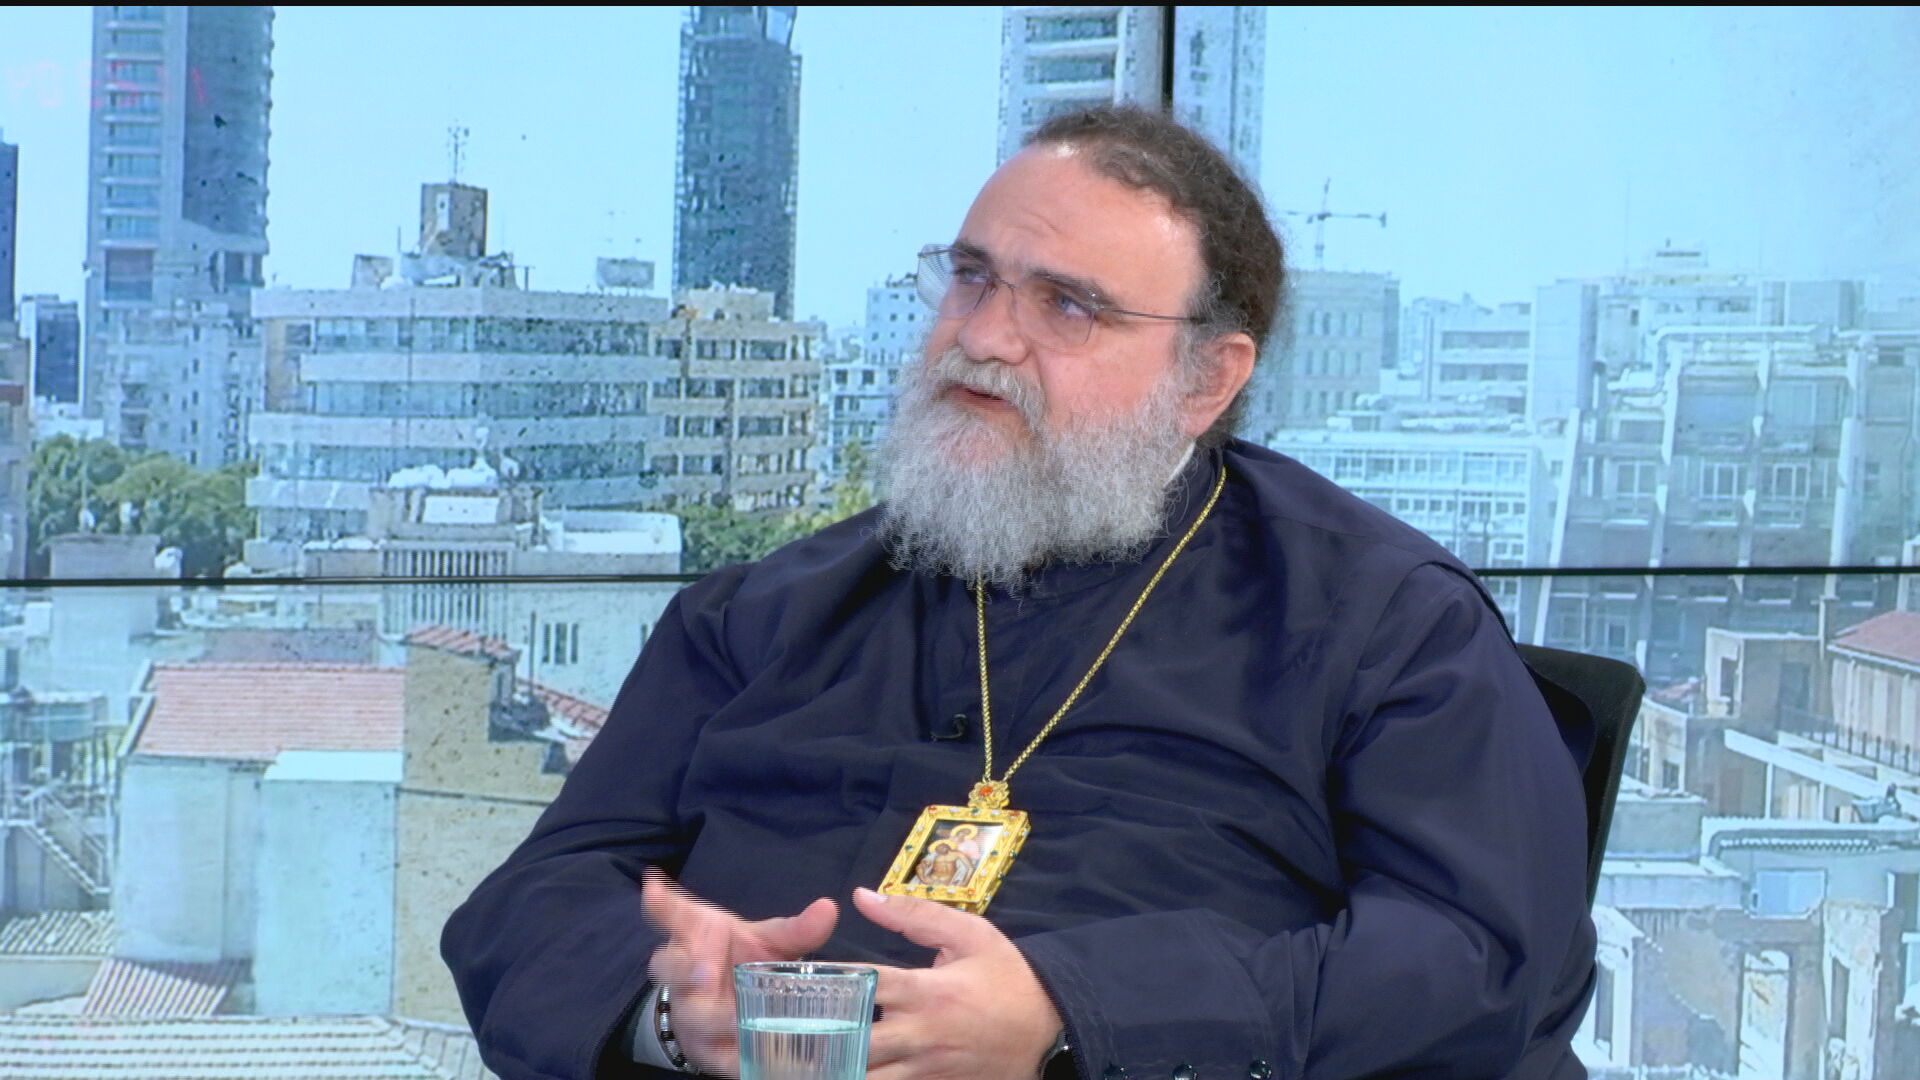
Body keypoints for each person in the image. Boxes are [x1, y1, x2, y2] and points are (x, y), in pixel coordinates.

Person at [443, 105, 1597, 1080]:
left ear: (1207, 378)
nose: (986, 338)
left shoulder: (1384, 621)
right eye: (971, 278)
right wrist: (671, 1015)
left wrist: (1072, 1018)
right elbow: (533, 902)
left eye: (1068, 306)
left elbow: (1484, 962)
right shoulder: (759, 614)